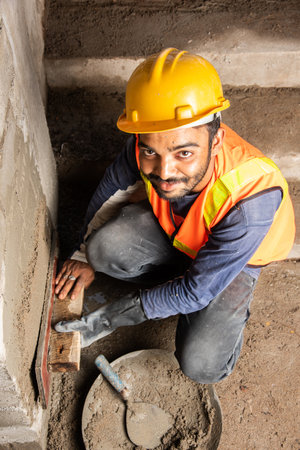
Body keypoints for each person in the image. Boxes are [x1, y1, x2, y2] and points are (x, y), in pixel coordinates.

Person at [55, 48, 295, 384]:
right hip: (184, 233)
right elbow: (110, 188)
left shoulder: (251, 202)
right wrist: (82, 254)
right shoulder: (146, 145)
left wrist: (110, 318)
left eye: (184, 153)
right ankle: (174, 280)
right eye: (150, 150)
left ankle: (216, 306)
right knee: (102, 249)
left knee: (202, 364)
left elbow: (197, 291)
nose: (165, 171)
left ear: (216, 140)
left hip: (238, 260)